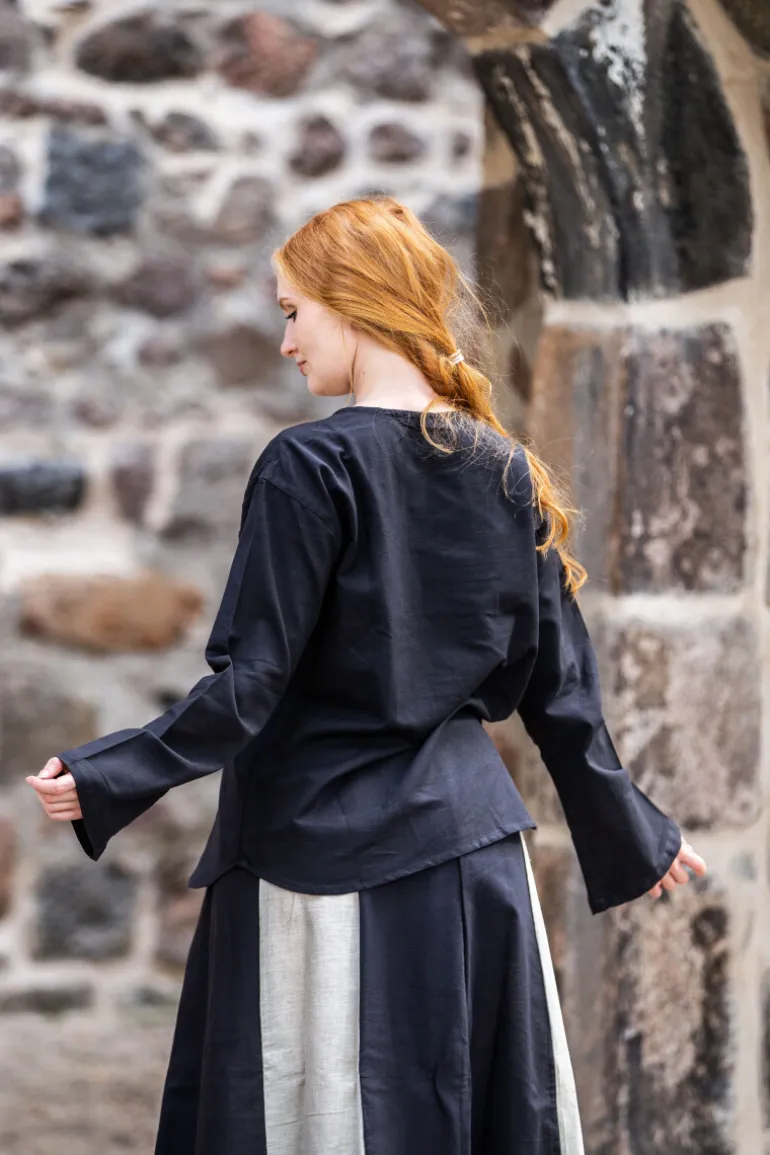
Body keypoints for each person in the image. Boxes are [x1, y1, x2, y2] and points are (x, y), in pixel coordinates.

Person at [25, 195, 706, 1155]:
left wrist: (111, 773)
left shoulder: (309, 464)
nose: (286, 342)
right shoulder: (506, 469)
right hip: (473, 862)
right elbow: (562, 693)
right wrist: (634, 829)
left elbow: (253, 680)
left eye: (293, 312)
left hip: (317, 861)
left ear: (355, 303)